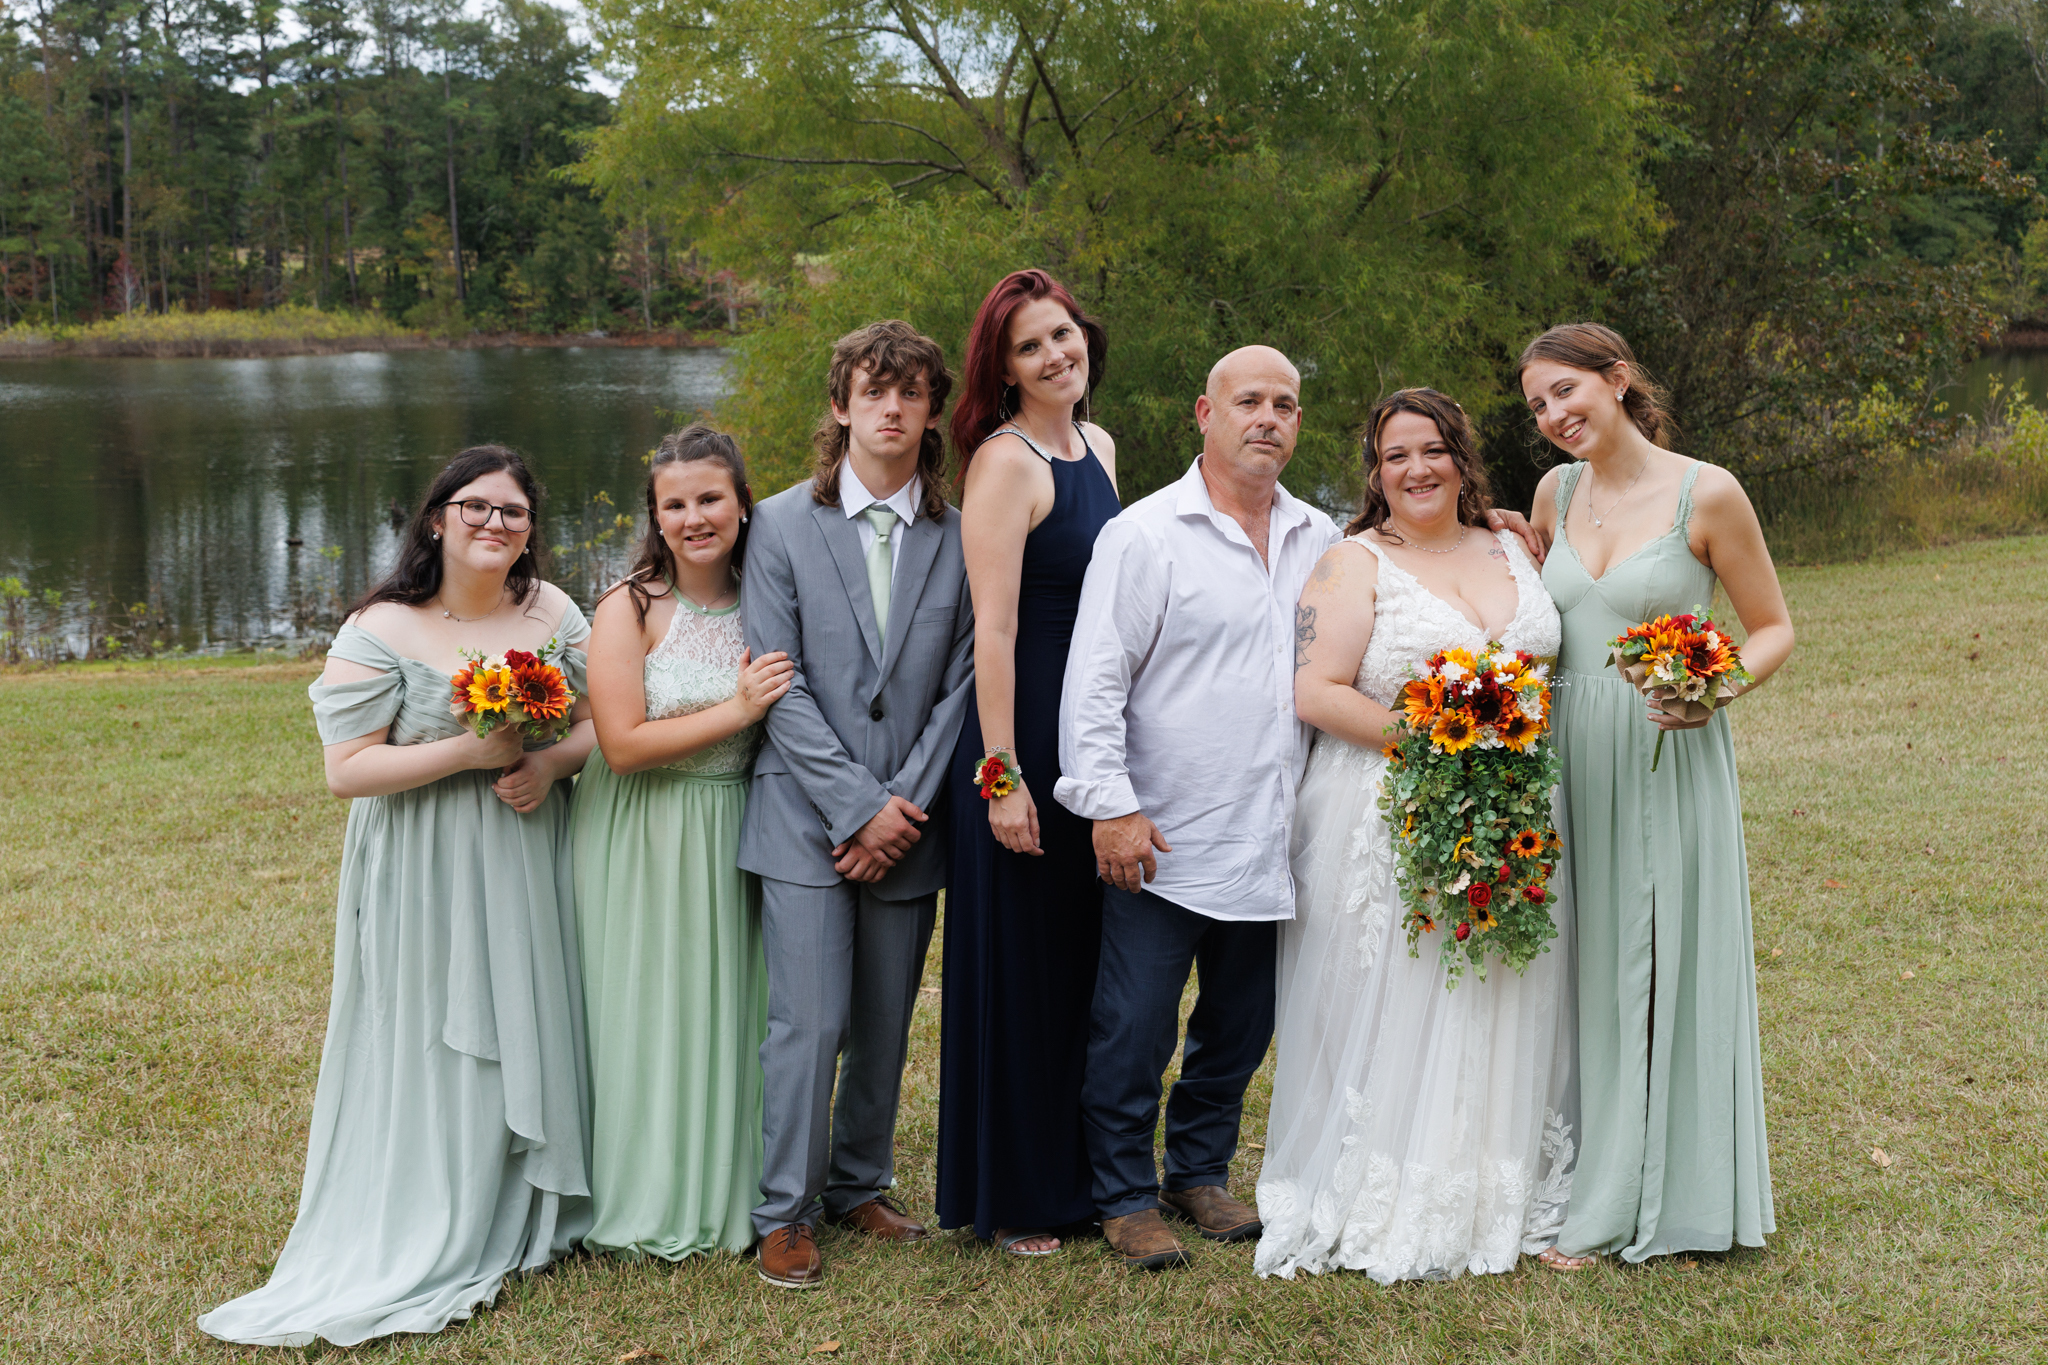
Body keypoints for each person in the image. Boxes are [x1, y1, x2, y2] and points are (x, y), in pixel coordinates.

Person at [198, 446, 598, 1347]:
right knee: (434, 1030)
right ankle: (436, 1206)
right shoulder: (380, 626)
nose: (495, 522)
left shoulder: (555, 612)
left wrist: (545, 765)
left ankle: (529, 1195)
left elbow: (595, 724)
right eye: (475, 506)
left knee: (530, 1006)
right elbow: (347, 770)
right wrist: (468, 750)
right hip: (424, 864)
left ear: (530, 529)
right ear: (437, 518)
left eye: (514, 511)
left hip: (530, 847)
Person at [1254, 389, 1579, 1282]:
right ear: (1375, 470)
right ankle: (1394, 1180)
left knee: (1504, 986)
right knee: (1404, 993)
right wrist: (1441, 740)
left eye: (1432, 449)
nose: (1416, 469)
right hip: (1390, 804)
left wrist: (1495, 756)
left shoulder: (1515, 545)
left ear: (1461, 458)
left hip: (1516, 807)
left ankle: (1497, 1177)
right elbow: (1316, 691)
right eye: (1396, 455)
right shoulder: (1351, 563)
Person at [1054, 345, 1339, 1271]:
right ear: (1204, 414)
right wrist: (1110, 805)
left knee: (1240, 1023)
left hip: (1273, 831)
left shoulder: (1321, 537)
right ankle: (1125, 1194)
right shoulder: (1145, 534)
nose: (1268, 417)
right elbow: (1096, 679)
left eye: (1284, 404)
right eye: (1248, 400)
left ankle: (1199, 1171)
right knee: (1135, 1025)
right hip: (1164, 832)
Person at [1520, 322, 1794, 1266]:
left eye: (1565, 390)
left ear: (1616, 379)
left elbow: (1772, 627)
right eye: (1538, 404)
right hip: (1567, 752)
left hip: (1663, 750)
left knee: (1655, 954)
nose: (1554, 415)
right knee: (1586, 961)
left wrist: (1713, 689)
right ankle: (1582, 1164)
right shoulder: (1553, 494)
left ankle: (1637, 1196)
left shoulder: (1705, 492)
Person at [737, 320, 977, 1290]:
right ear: (840, 405)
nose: (891, 407)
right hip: (803, 817)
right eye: (874, 390)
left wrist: (899, 808)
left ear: (932, 414)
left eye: (911, 392)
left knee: (883, 1019)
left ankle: (858, 1184)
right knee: (807, 1021)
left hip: (909, 825)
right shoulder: (777, 524)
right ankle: (784, 1213)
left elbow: (962, 685)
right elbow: (776, 680)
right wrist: (854, 808)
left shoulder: (960, 537)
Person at [573, 426, 795, 1260]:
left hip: (740, 823)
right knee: (651, 1008)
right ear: (656, 516)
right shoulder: (628, 607)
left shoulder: (771, 596)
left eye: (710, 498)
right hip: (647, 830)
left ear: (743, 501)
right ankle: (646, 1190)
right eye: (675, 504)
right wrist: (738, 709)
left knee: (734, 1006)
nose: (694, 517)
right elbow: (621, 744)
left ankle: (738, 1182)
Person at [936, 270, 1122, 1258]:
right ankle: (1012, 1192)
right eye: (1029, 346)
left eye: (1062, 334)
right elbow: (994, 632)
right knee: (1020, 965)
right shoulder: (1004, 463)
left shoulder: (1099, 446)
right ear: (1002, 370)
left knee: (1078, 958)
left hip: (1086, 734)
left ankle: (1077, 1175)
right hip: (1017, 739)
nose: (1056, 355)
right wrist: (1001, 779)